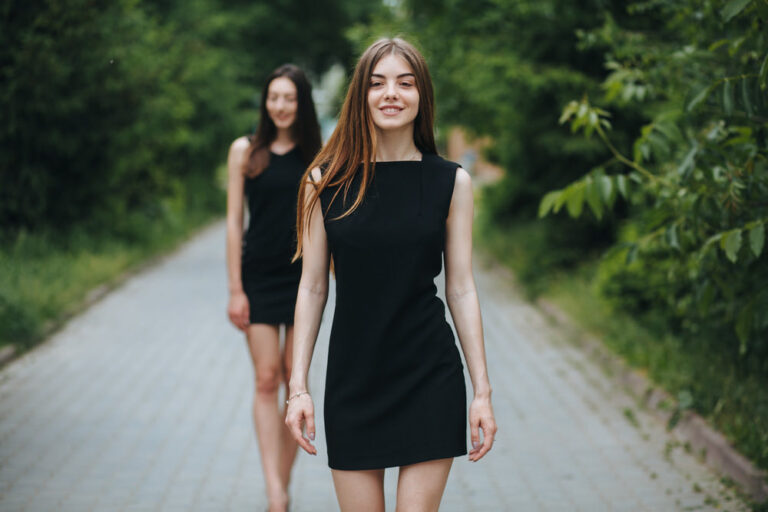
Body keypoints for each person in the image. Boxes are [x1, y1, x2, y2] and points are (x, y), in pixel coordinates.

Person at [285, 38, 497, 511]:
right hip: (354, 379)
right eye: (377, 83)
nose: (391, 94)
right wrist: (298, 388)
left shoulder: (450, 182)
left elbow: (461, 288)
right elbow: (313, 287)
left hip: (428, 375)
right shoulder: (325, 183)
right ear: (361, 95)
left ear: (422, 96)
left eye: (405, 82)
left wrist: (481, 392)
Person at [225, 63, 321, 512]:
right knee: (267, 379)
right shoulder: (245, 151)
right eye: (273, 97)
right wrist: (234, 288)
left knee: (293, 385)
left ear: (302, 103)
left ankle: (281, 484)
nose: (280, 106)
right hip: (258, 279)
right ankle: (275, 492)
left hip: (303, 281)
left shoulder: (318, 156)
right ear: (265, 102)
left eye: (289, 98)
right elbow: (232, 223)